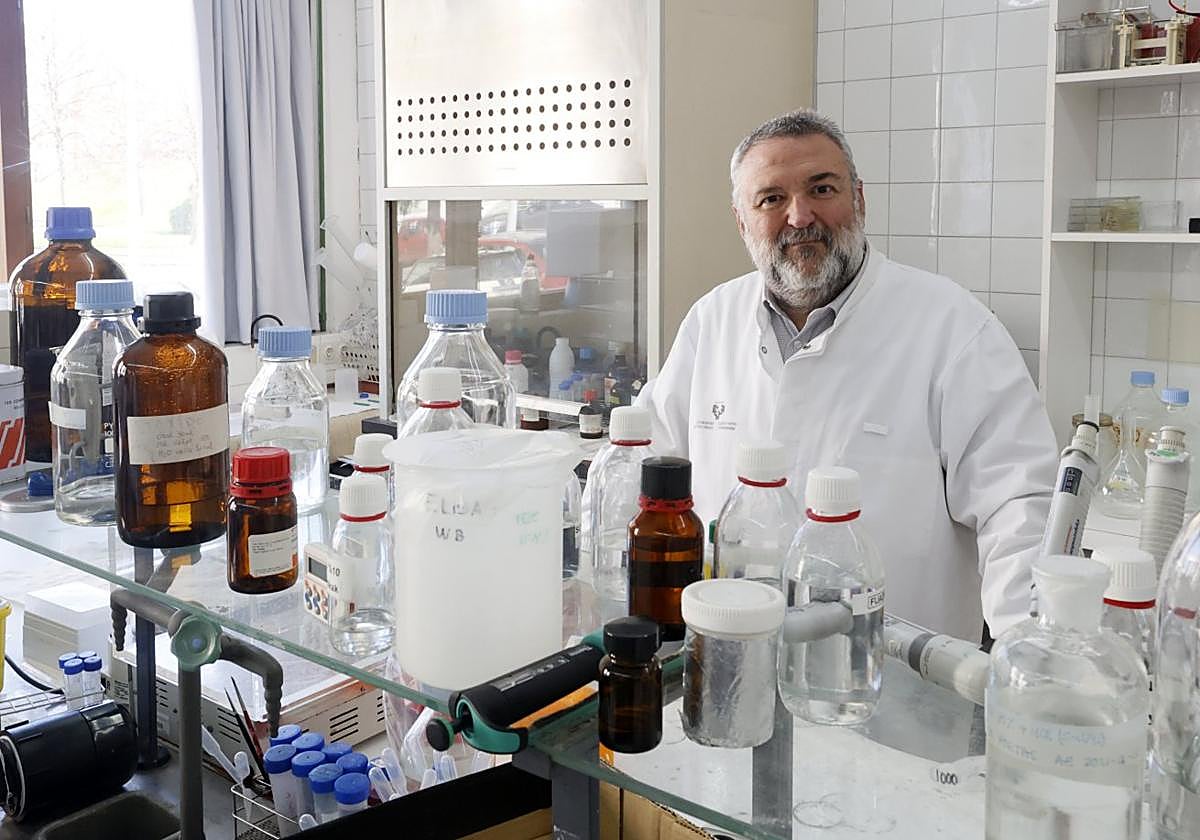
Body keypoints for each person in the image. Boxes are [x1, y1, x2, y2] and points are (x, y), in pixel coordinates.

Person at [636, 109, 1059, 642]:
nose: (799, 216)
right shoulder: (711, 320)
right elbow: (647, 462)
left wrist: (1031, 655)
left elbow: (1020, 507)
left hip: (896, 690)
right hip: (731, 665)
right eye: (771, 199)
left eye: (822, 188)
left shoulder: (953, 327)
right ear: (742, 220)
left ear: (858, 199)